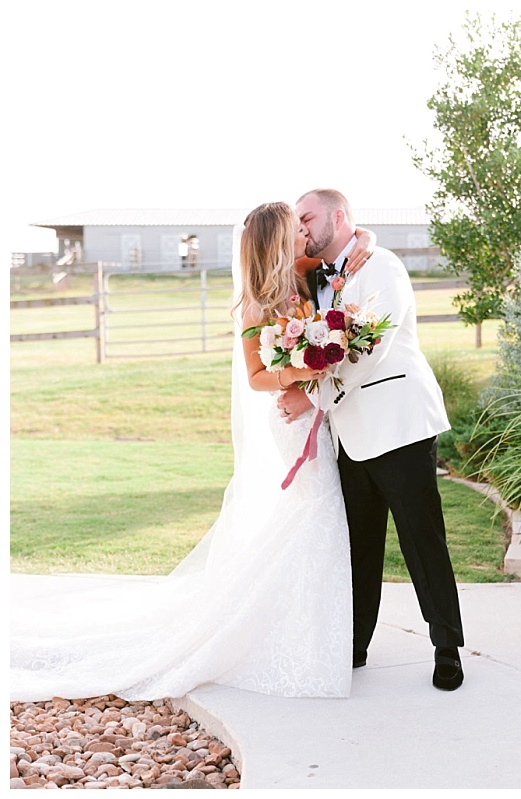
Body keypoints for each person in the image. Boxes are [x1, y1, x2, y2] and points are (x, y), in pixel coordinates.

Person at [10, 201, 365, 702]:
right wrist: (303, 372)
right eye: (295, 228)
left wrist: (363, 242)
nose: (305, 235)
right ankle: (293, 639)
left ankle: (314, 633)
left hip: (314, 414)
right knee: (314, 514)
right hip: (290, 422)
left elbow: (353, 248)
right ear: (277, 237)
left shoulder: (302, 275)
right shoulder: (255, 304)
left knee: (318, 519)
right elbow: (257, 377)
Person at [277, 188, 465, 691]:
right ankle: (355, 645)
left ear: (340, 217)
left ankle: (447, 648)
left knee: (423, 541)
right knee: (359, 547)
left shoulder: (381, 265)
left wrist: (311, 396)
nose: (301, 228)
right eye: (297, 221)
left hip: (398, 426)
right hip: (350, 437)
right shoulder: (313, 274)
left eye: (308, 218)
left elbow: (371, 350)